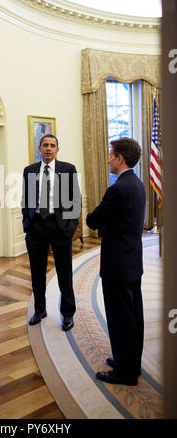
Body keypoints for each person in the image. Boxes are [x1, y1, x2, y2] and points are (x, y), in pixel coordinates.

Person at [86, 137, 146, 386]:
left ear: (120, 158)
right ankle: (129, 362)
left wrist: (92, 213)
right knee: (133, 318)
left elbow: (93, 220)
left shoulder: (118, 189)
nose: (108, 159)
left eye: (111, 155)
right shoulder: (137, 183)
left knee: (121, 320)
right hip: (131, 262)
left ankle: (125, 373)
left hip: (118, 266)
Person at [22, 134, 81, 331]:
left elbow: (76, 200)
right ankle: (40, 310)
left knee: (65, 273)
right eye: (45, 145)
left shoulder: (67, 169)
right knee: (36, 272)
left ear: (57, 149)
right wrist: (27, 222)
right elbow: (25, 199)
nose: (48, 148)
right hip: (36, 227)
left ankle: (67, 314)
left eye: (52, 145)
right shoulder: (29, 171)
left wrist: (71, 227)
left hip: (60, 227)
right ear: (39, 147)